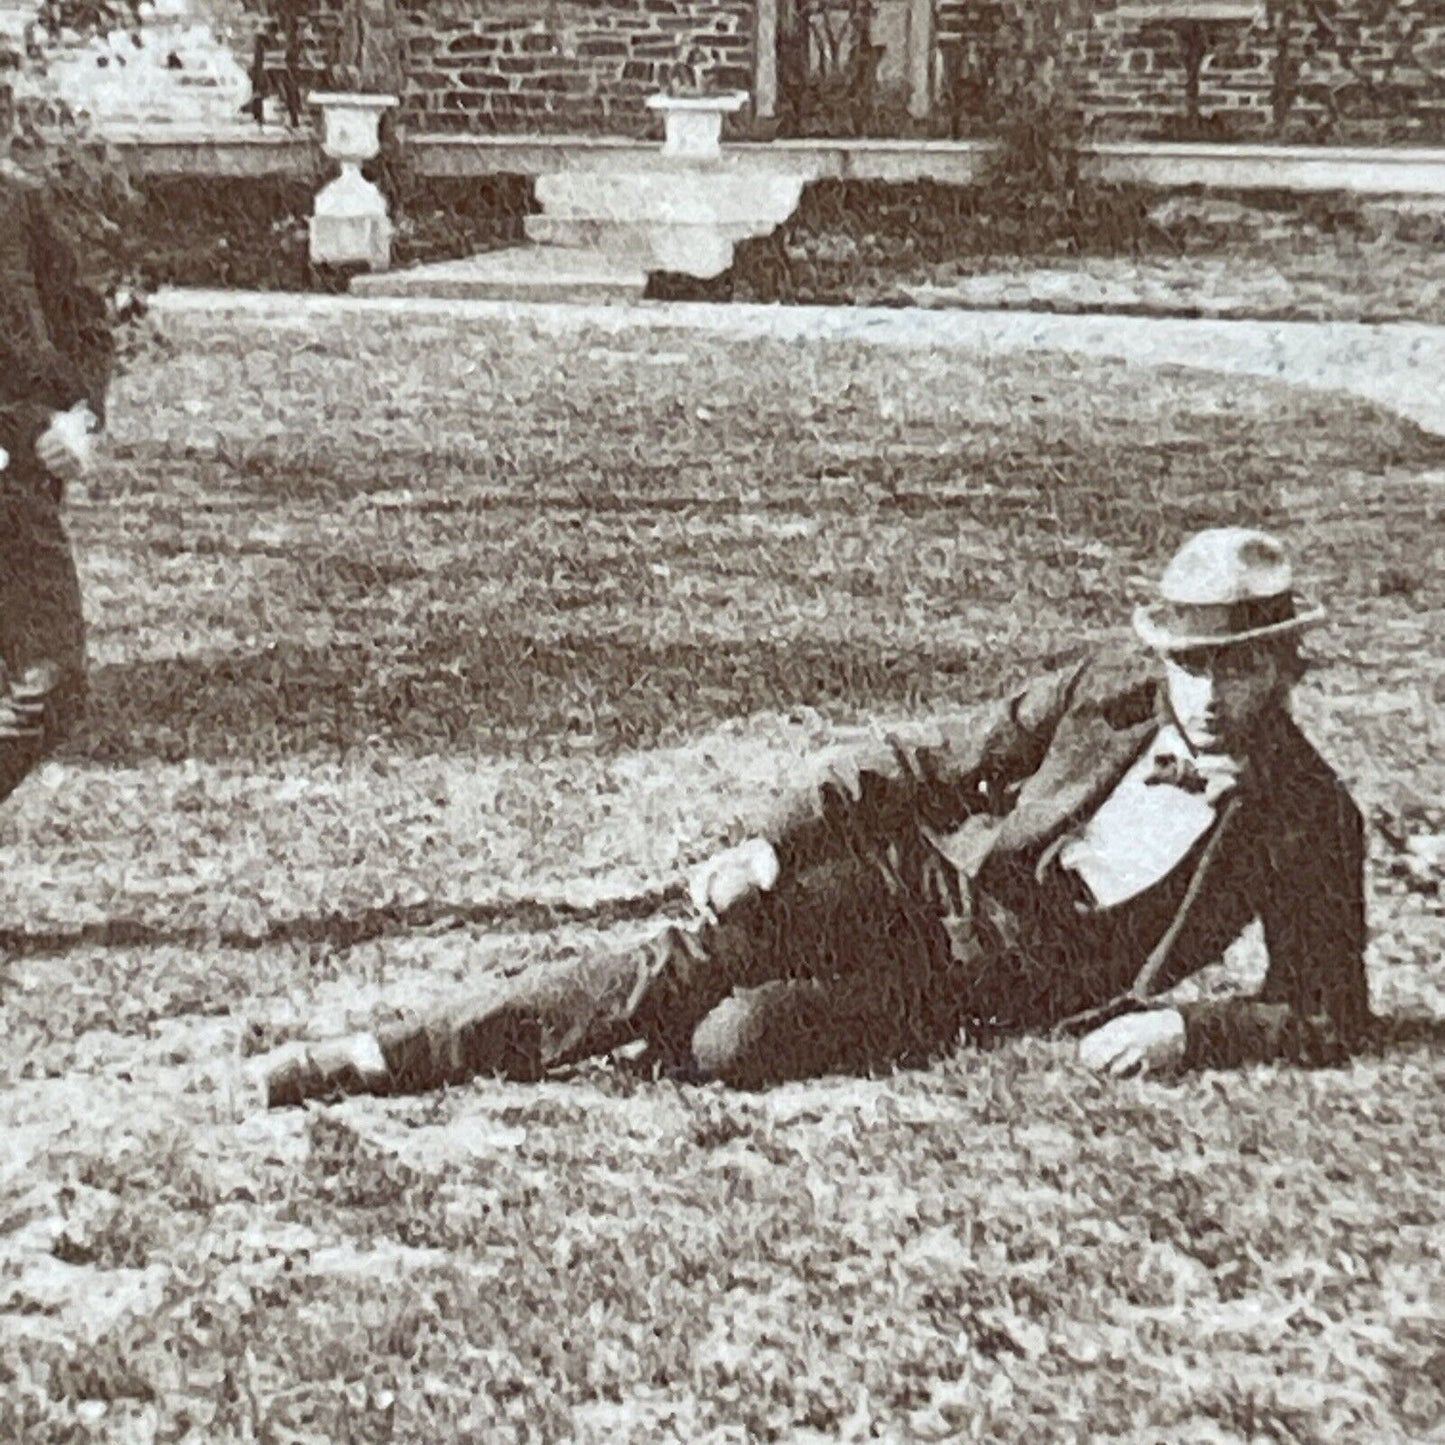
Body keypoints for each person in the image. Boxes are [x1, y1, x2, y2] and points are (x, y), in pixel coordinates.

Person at [260, 527, 1370, 1108]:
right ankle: (379, 1055)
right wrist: (771, 842)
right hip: (917, 881)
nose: (1208, 696)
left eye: (1239, 669)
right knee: (699, 945)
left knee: (730, 1039)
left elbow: (1325, 1009)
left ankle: (607, 1022)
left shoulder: (1307, 815)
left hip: (989, 984)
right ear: (1160, 656)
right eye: (1190, 666)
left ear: (1285, 667)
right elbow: (921, 759)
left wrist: (1187, 1029)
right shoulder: (1108, 686)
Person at [0, 153, 113, 803]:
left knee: (52, 686)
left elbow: (84, 326)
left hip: (20, 493)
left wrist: (78, 421)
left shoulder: (18, 202)